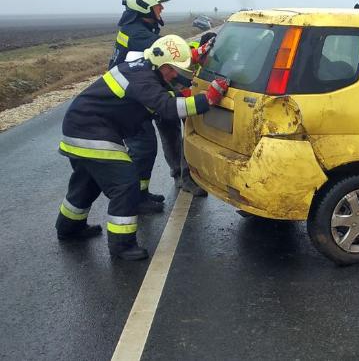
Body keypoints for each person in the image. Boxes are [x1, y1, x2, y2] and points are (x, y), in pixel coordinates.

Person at [56, 35, 229, 260]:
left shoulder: (144, 71)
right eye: (174, 70)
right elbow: (166, 107)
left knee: (87, 181)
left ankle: (69, 228)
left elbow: (159, 97)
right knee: (125, 184)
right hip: (91, 131)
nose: (176, 75)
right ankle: (122, 246)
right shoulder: (142, 78)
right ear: (163, 65)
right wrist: (208, 99)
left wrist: (183, 91)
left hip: (80, 126)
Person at [109, 0, 213, 208]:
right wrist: (190, 84)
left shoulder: (136, 27)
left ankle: (157, 187)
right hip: (132, 102)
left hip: (138, 94)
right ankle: (137, 198)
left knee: (164, 130)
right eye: (158, 5)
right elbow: (168, 58)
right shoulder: (140, 35)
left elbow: (160, 63)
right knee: (144, 148)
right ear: (145, 7)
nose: (162, 8)